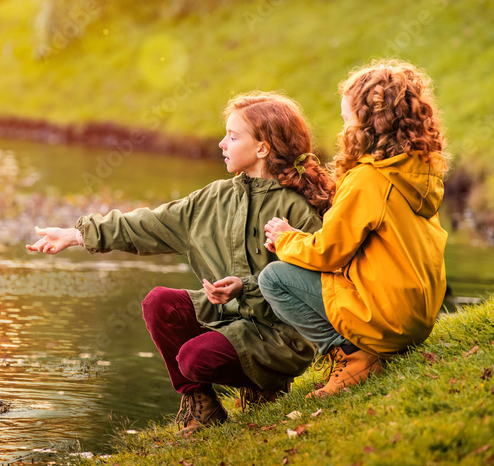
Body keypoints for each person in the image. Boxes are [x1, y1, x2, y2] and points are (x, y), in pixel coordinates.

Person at [28, 92, 335, 436]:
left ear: (262, 148)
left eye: (233, 136)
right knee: (159, 302)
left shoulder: (296, 209)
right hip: (226, 318)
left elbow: (313, 281)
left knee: (193, 358)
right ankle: (202, 406)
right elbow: (144, 224)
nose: (222, 143)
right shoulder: (214, 197)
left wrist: (244, 287)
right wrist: (74, 234)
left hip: (279, 337)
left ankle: (266, 384)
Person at [260, 60, 449, 399]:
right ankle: (368, 348)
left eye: (347, 119)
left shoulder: (368, 178)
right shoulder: (420, 168)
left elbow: (329, 252)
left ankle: (355, 357)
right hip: (419, 319)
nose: (344, 128)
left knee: (274, 278)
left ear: (368, 124)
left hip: (387, 321)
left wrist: (287, 239)